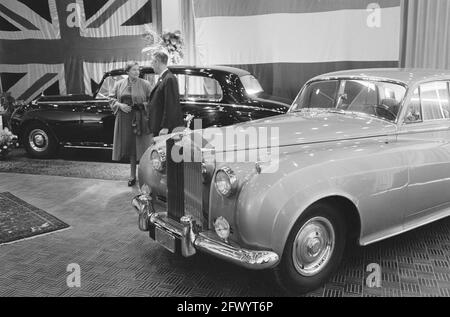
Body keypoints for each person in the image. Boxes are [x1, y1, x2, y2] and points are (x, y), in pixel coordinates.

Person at [109, 62, 153, 186]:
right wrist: (119, 105)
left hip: (141, 119)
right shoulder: (119, 84)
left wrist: (142, 106)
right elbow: (111, 98)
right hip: (125, 120)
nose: (137, 72)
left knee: (144, 147)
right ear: (127, 71)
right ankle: (132, 175)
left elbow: (153, 100)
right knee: (131, 148)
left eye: (138, 70)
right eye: (134, 70)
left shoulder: (145, 84)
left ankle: (147, 176)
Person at [148, 51, 184, 136]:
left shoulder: (169, 78)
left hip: (165, 128)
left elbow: (170, 104)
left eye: (152, 62)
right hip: (159, 125)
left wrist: (165, 127)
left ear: (157, 62)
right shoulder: (163, 78)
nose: (151, 65)